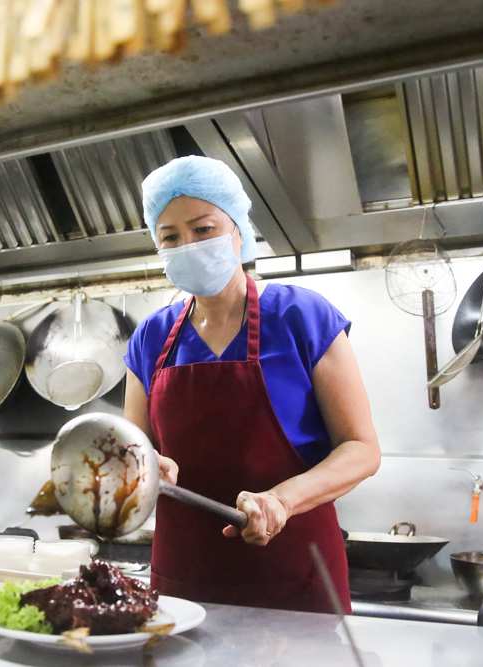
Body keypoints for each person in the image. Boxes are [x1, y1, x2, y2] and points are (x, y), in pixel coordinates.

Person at [122, 155, 380, 612]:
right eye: (170, 237)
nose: (188, 245)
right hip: (184, 580)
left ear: (238, 229)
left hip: (294, 577)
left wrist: (282, 500)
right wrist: (144, 467)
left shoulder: (302, 316)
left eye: (203, 229)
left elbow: (361, 449)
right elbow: (132, 452)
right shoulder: (151, 337)